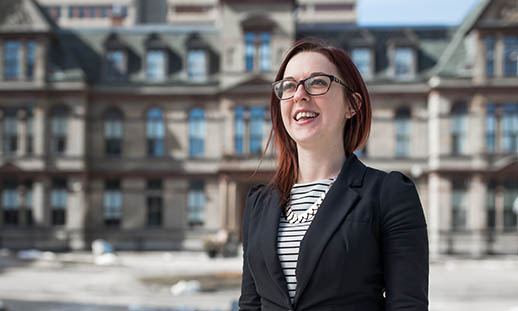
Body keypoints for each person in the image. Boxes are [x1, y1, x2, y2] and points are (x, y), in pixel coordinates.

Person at [238, 38, 429, 311]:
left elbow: (407, 306)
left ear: (352, 105)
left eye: (317, 82)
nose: (300, 94)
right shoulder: (258, 203)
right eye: (289, 86)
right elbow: (250, 305)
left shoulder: (389, 194)